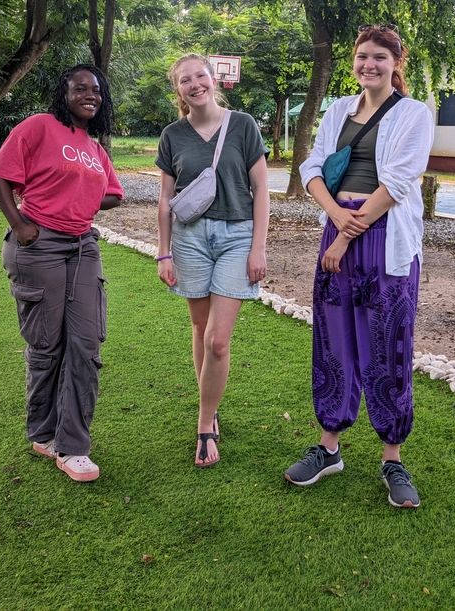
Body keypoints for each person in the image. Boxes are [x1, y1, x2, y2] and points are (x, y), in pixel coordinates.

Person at [284, 26, 434, 508]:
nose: (368, 64)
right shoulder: (337, 110)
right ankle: (329, 449)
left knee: (388, 342)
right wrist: (334, 218)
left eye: (379, 57)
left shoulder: (413, 114)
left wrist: (346, 236)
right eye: (362, 57)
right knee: (334, 340)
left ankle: (392, 456)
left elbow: (399, 181)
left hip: (385, 241)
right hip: (338, 230)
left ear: (396, 63)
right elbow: (311, 166)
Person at [0, 65, 123, 483]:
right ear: (61, 93)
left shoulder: (95, 148)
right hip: (38, 245)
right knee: (47, 346)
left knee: (85, 342)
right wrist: (22, 225)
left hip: (81, 246)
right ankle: (43, 432)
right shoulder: (38, 127)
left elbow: (112, 194)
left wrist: (79, 204)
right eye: (79, 88)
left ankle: (73, 446)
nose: (89, 95)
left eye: (95, 90)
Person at [156, 54, 270, 467]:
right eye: (185, 80)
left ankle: (205, 424)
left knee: (218, 339)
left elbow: (261, 190)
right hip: (190, 239)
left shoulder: (242, 125)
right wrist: (163, 250)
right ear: (179, 90)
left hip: (237, 236)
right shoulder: (172, 135)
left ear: (213, 78)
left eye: (200, 75)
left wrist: (259, 247)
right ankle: (212, 404)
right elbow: (165, 200)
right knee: (200, 327)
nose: (195, 84)